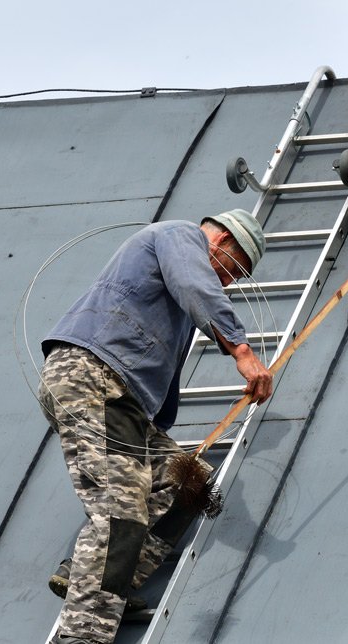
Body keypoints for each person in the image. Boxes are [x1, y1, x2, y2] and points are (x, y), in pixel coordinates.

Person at [37, 210, 272, 644]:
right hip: (94, 378)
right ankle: (82, 636)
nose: (229, 283)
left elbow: (159, 378)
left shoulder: (179, 296)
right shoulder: (180, 237)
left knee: (191, 484)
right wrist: (240, 349)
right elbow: (196, 283)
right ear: (219, 240)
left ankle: (102, 580)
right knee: (120, 513)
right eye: (232, 269)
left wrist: (157, 429)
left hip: (122, 398)